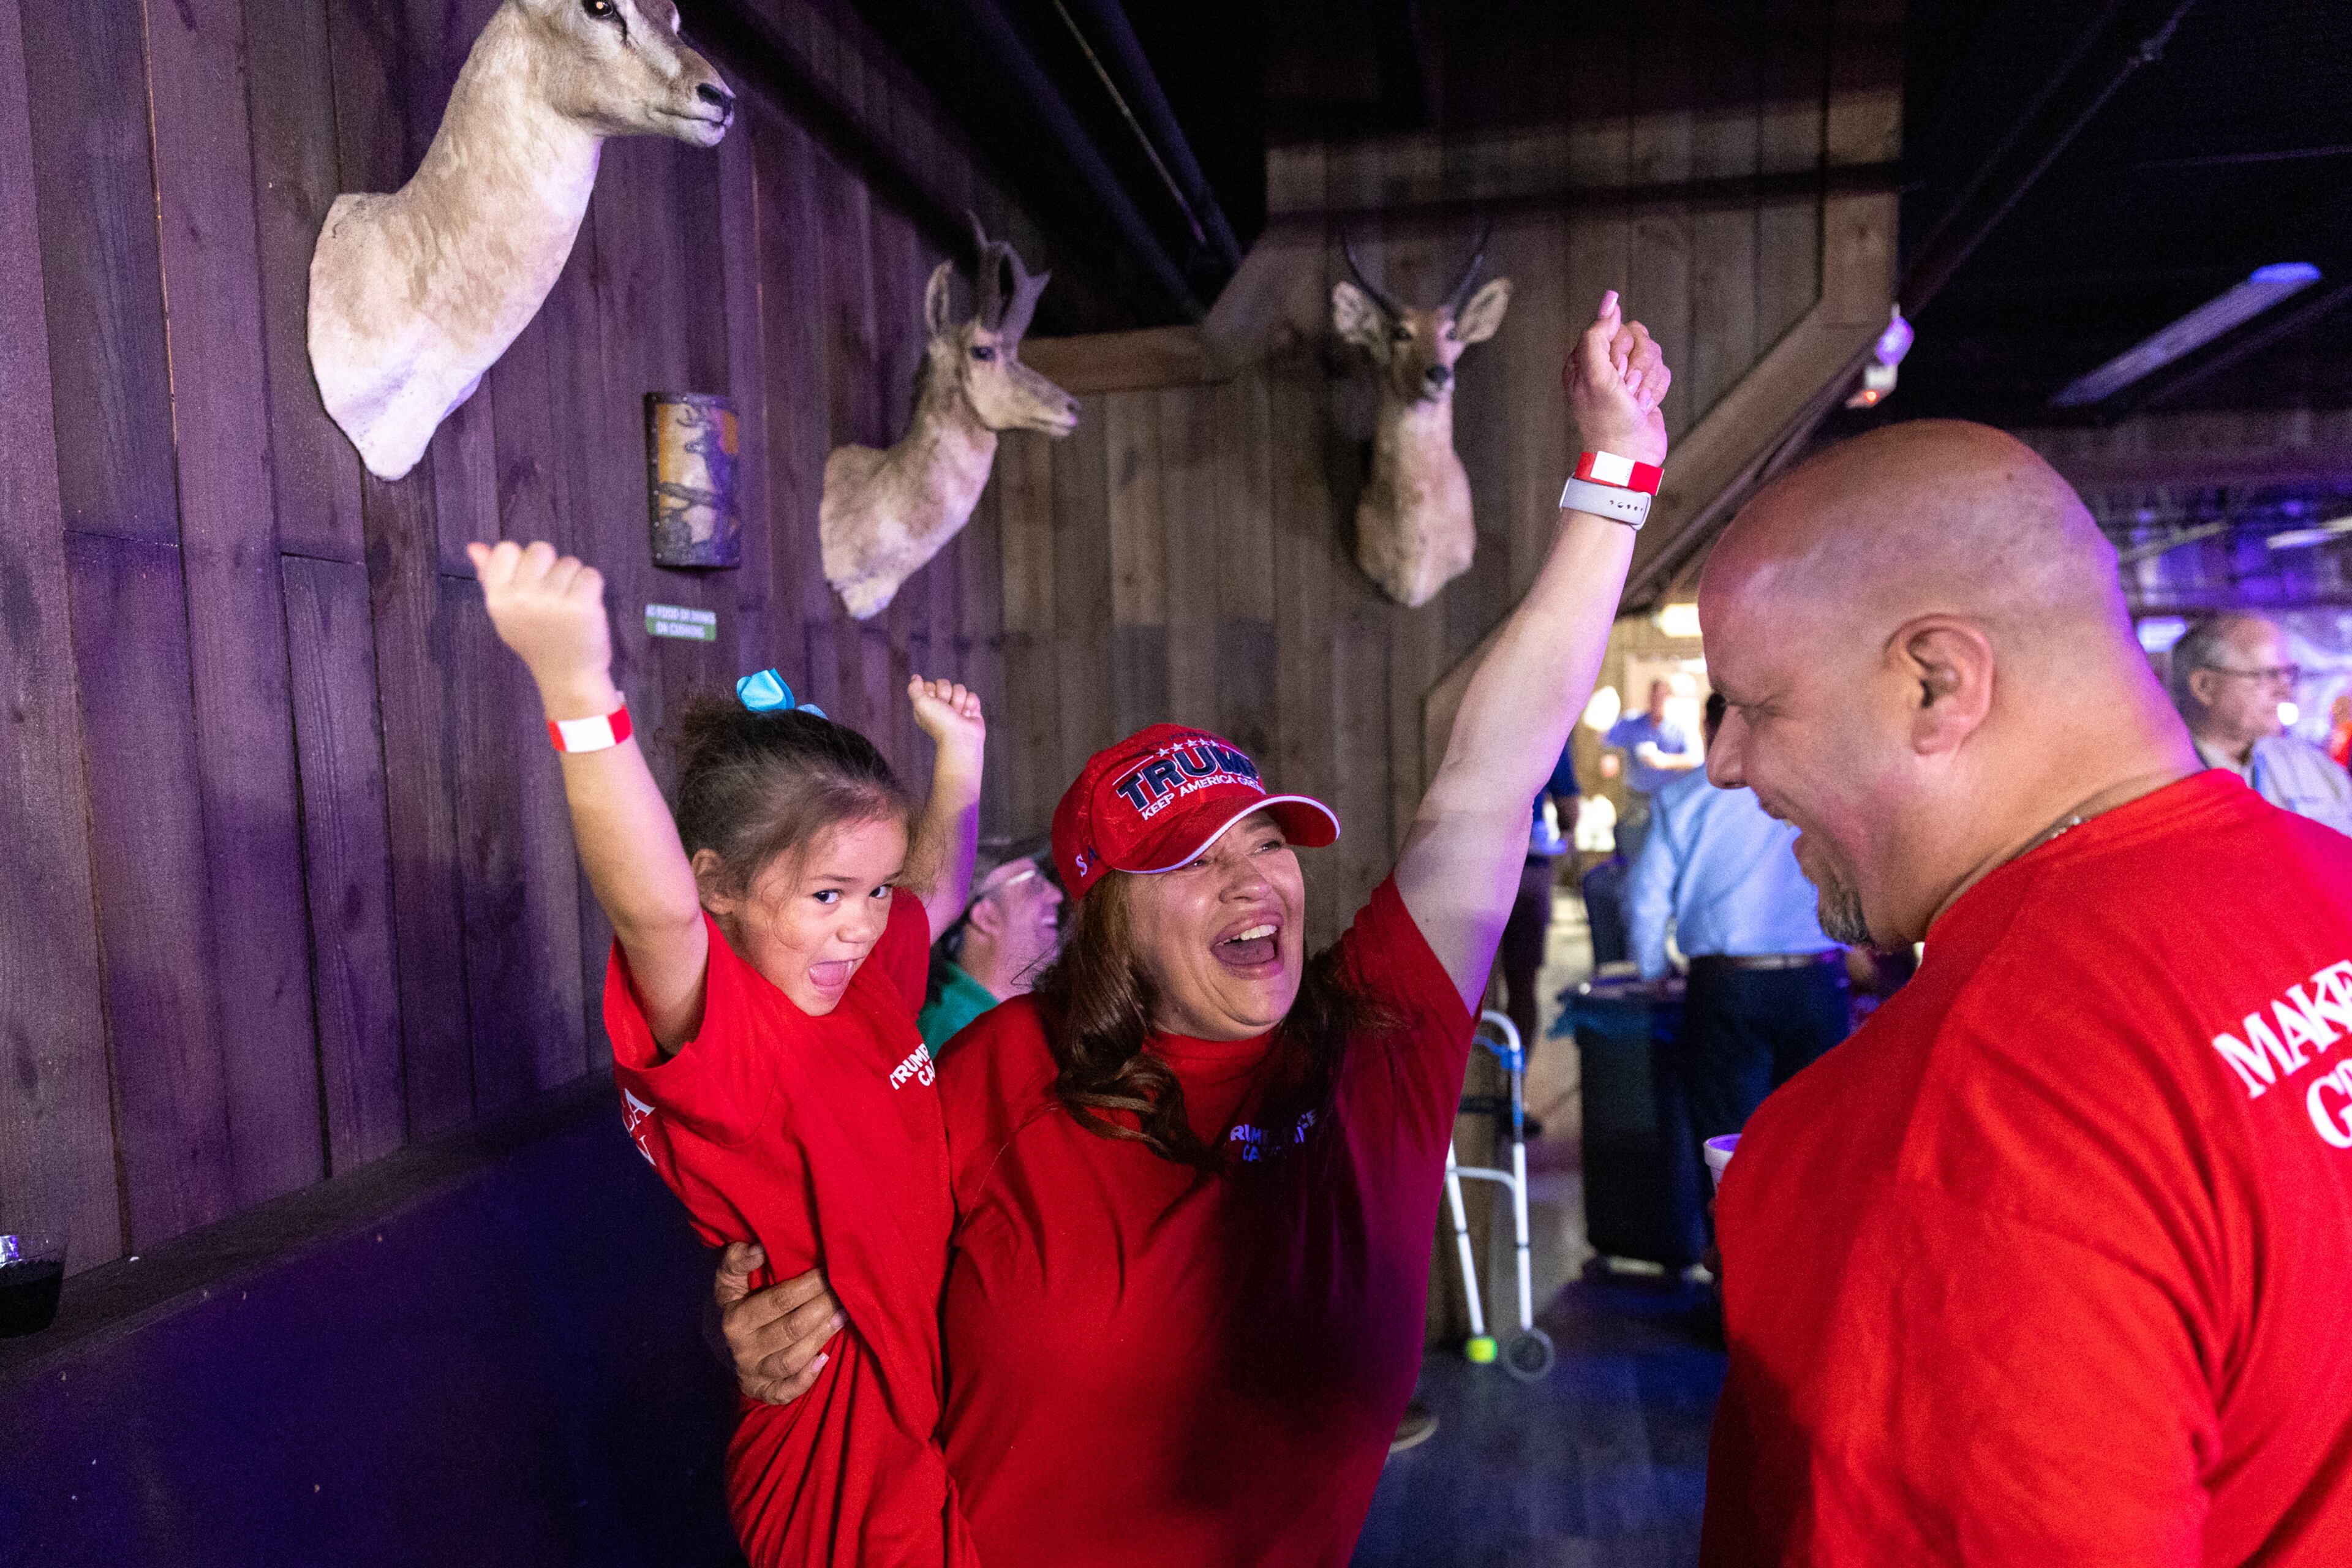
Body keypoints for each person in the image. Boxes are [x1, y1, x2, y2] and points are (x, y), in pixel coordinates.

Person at [717, 289, 1676, 1565]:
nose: (1253, 883)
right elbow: (827, 1284)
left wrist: (1618, 467)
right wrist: (769, 1318)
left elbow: (1489, 781)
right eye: (1189, 860)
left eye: (1268, 840)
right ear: (1103, 914)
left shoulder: (1371, 1049)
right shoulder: (993, 1075)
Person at [1694, 421, 2352, 1565]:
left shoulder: (1942, 1129)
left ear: (1936, 684)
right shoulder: (2330, 878)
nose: (1726, 763)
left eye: (1757, 706)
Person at [467, 540, 986, 1568]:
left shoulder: (865, 980)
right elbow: (650, 909)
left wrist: (960, 761)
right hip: (826, 1448)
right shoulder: (734, 1038)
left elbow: (938, 887)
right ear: (720, 887)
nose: (861, 924)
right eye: (827, 894)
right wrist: (578, 686)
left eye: (870, 892)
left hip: (917, 1440)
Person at [1629, 692, 1845, 1155]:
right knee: (1816, 1148)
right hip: (1819, 982)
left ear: (1713, 732)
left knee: (1732, 1150)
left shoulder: (1682, 798)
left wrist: (1653, 971)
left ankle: (1734, 1229)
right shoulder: (1821, 788)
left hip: (1728, 988)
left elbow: (1646, 899)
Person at [2167, 611, 2352, 835]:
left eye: (2288, 674)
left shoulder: (2318, 770)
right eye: (2268, 675)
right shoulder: (2154, 779)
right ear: (2204, 686)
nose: (2286, 691)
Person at [917, 839, 1063, 1054]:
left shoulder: (1026, 1020)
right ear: (986, 917)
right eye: (1035, 884)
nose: (1057, 896)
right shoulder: (953, 1032)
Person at [1498, 744, 1581, 1052]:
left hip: (1471, 862)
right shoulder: (1548, 725)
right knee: (1522, 985)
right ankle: (1514, 1082)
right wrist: (1565, 838)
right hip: (1526, 869)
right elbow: (1569, 808)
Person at [1605, 677, 1700, 862]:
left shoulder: (1681, 728)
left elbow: (1696, 759)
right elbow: (1607, 739)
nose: (1658, 702)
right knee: (1634, 845)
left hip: (1669, 799)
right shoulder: (1633, 723)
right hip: (1637, 799)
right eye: (1654, 697)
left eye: (1662, 697)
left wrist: (1664, 761)